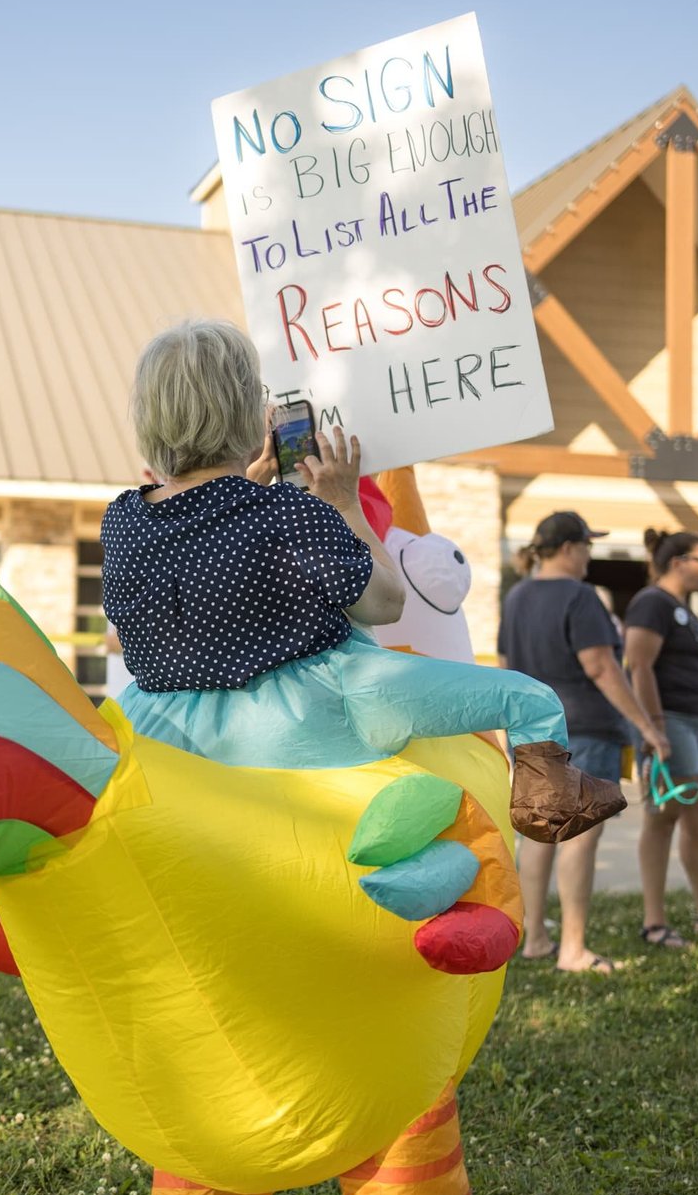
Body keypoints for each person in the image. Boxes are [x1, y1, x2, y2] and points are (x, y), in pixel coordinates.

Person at [102, 320, 624, 844]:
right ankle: (548, 803)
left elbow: (198, 550)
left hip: (169, 733)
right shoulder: (287, 511)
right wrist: (346, 501)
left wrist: (245, 491)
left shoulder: (122, 521)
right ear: (243, 410)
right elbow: (386, 603)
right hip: (309, 716)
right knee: (529, 698)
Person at [498, 512, 669, 974]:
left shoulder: (516, 597)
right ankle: (573, 951)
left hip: (532, 730)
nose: (590, 554)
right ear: (571, 548)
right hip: (586, 730)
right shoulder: (581, 597)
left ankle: (535, 939)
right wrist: (648, 729)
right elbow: (601, 668)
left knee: (540, 835)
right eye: (588, 546)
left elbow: (506, 664)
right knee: (580, 840)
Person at [625, 529, 698, 948]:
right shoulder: (652, 602)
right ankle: (654, 923)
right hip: (671, 722)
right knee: (662, 820)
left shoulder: (684, 609)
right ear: (679, 562)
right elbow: (639, 666)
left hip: (696, 724)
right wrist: (654, 728)